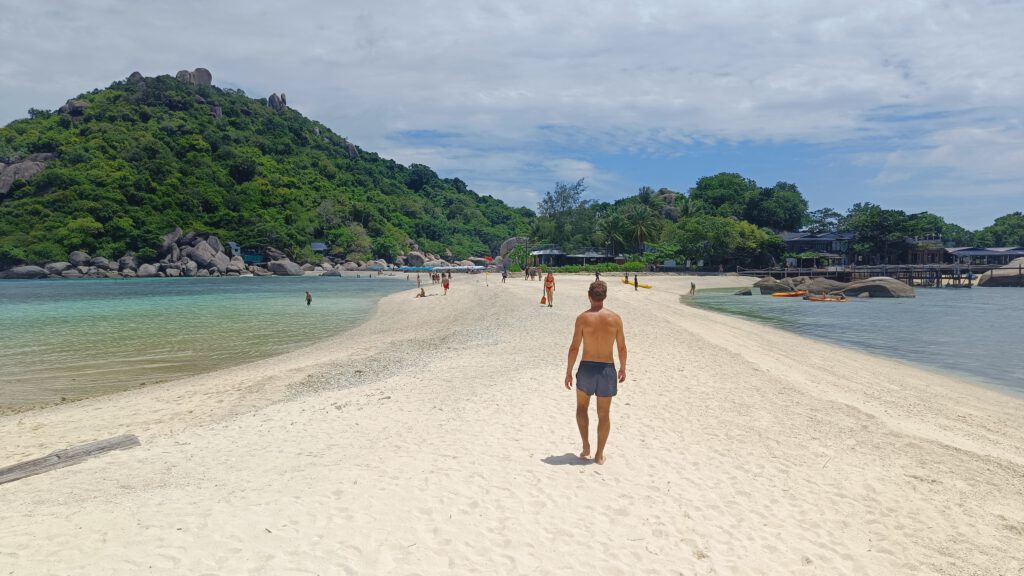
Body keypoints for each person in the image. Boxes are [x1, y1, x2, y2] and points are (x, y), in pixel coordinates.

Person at [564, 281, 626, 465]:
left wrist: (568, 371)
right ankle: (599, 455)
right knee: (604, 414)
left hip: (587, 368)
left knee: (581, 408)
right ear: (605, 296)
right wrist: (623, 367)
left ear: (589, 296)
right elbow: (622, 347)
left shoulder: (582, 319)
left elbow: (574, 347)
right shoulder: (615, 319)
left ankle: (585, 446)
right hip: (607, 369)